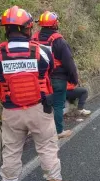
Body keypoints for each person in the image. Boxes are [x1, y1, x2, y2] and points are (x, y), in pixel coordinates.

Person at [0, 6, 69, 181]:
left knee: (11, 151)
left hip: (11, 111)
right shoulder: (43, 51)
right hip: (39, 108)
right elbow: (49, 70)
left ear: (6, 29)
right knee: (47, 147)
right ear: (28, 28)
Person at [32, 11, 78, 139]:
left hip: (38, 78)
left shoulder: (34, 38)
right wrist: (74, 78)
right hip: (57, 78)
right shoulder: (59, 41)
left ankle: (40, 131)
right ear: (54, 24)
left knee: (41, 104)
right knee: (58, 104)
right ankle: (58, 131)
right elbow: (69, 62)